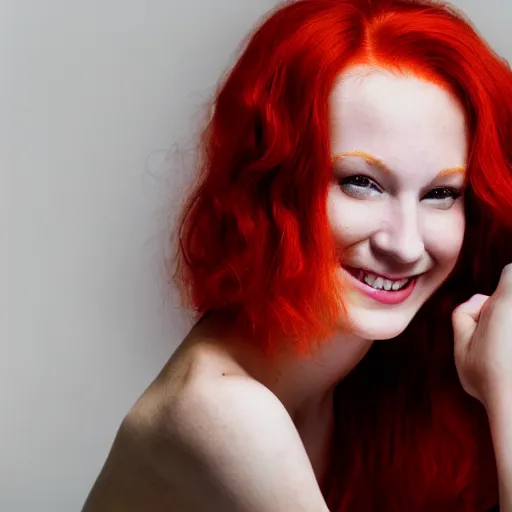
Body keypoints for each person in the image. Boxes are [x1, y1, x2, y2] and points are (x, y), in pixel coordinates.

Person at [81, 0, 512, 510]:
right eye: (361, 183)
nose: (405, 244)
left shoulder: (377, 368)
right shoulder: (224, 413)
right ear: (274, 186)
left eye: (441, 194)